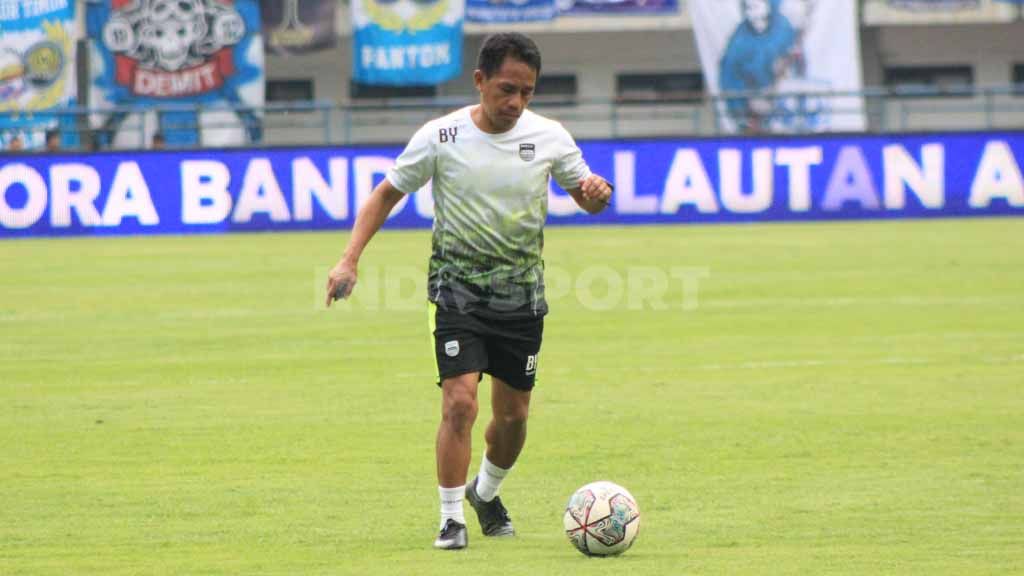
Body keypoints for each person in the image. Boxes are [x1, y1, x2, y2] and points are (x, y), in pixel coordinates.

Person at [325, 32, 613, 550]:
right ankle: (451, 517)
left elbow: (589, 195)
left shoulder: (549, 137)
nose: (515, 103)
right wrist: (349, 260)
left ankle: (487, 492)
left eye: (526, 92)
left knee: (514, 416)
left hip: (521, 296)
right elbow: (385, 194)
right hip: (456, 291)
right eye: (506, 89)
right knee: (460, 404)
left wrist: (598, 193)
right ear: (479, 81)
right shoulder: (441, 136)